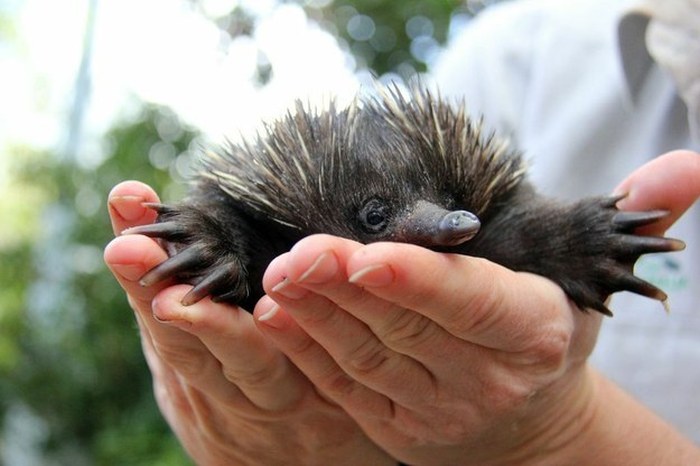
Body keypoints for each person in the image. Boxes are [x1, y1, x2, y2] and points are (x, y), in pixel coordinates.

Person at [104, 0, 700, 464]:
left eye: (445, 202)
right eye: (375, 217)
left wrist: (556, 437)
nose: (447, 222)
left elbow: (518, 221)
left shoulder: (496, 162)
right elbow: (218, 225)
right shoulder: (511, 56)